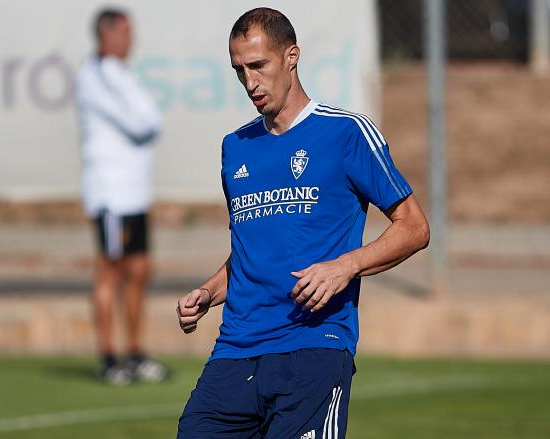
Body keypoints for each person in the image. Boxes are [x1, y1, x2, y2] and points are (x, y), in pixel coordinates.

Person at [176, 7, 429, 438]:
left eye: (259, 65)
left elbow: (414, 227)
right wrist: (209, 291)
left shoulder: (346, 133)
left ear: (291, 56)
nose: (250, 81)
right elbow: (254, 250)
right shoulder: (236, 147)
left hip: (313, 349)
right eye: (239, 70)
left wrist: (344, 266)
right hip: (235, 350)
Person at [75, 8, 167, 385]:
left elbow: (151, 121)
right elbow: (141, 122)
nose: (131, 39)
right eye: (125, 32)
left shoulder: (125, 75)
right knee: (111, 270)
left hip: (135, 192)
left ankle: (134, 353)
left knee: (140, 270)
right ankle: (109, 357)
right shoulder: (93, 76)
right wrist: (145, 122)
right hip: (111, 192)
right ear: (106, 34)